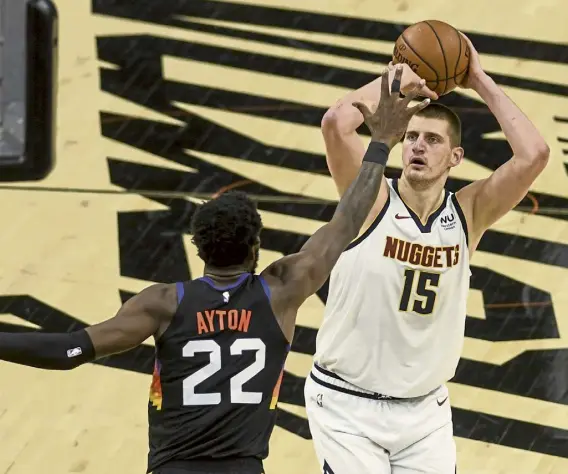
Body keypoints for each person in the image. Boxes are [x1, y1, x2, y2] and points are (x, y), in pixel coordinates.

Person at [0, 67, 429, 474]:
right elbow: (348, 220)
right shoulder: (282, 290)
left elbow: (68, 351)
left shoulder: (164, 304)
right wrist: (381, 143)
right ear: (256, 245)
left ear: (199, 247)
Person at [304, 35, 550, 474]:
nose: (418, 145)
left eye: (433, 140)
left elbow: (534, 155)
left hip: (424, 414)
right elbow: (335, 124)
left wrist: (479, 79)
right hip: (348, 407)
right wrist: (403, 73)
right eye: (411, 136)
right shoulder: (370, 200)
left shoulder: (468, 213)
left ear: (456, 156)